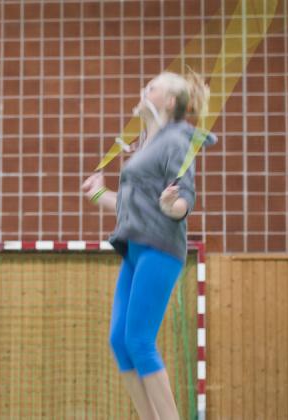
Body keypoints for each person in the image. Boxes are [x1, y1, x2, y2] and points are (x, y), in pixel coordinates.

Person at [81, 70, 216, 420]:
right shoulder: (147, 144)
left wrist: (175, 206)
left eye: (152, 87)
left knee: (139, 341)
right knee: (120, 343)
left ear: (169, 102)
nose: (144, 89)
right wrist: (100, 195)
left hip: (160, 248)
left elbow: (182, 197)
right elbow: (134, 204)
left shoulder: (176, 140)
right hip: (136, 248)